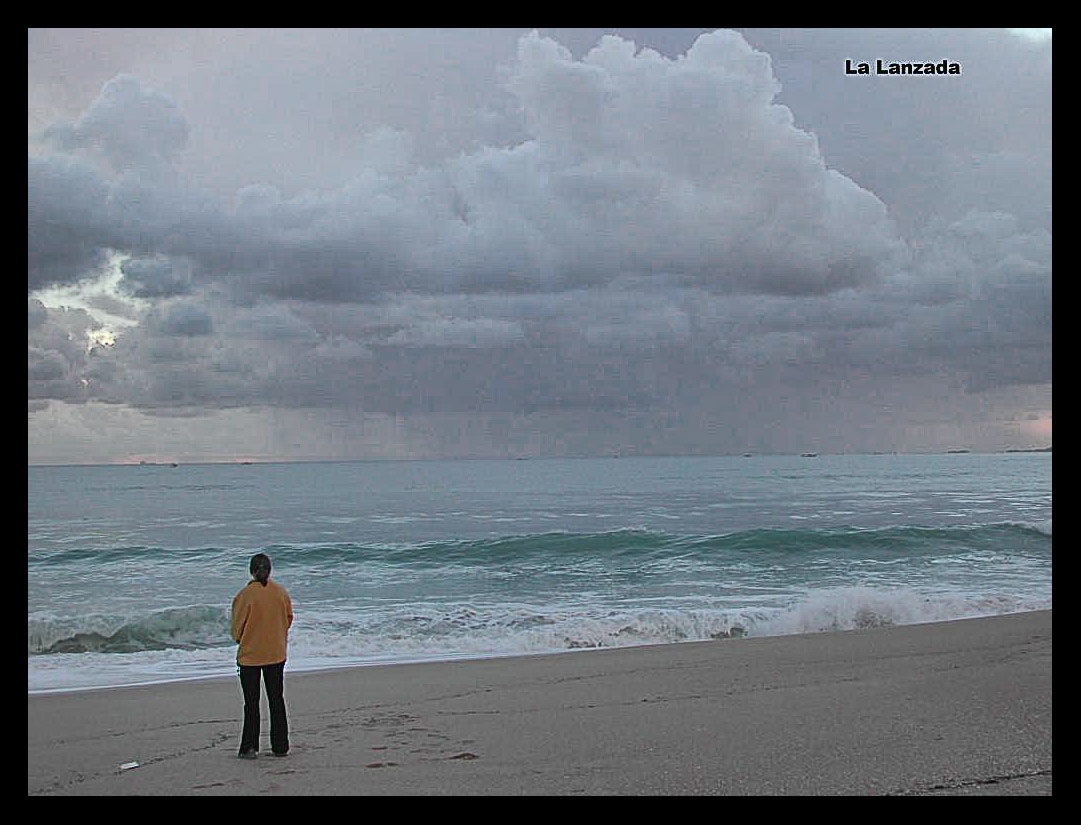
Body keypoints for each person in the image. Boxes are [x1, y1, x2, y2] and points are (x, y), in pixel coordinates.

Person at [231, 552, 294, 759]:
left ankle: (249, 746)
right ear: (270, 570)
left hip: (250, 655)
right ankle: (280, 745)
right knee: (276, 699)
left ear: (251, 571)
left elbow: (236, 631)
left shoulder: (245, 595)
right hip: (276, 653)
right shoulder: (281, 593)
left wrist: (246, 638)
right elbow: (288, 619)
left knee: (252, 703)